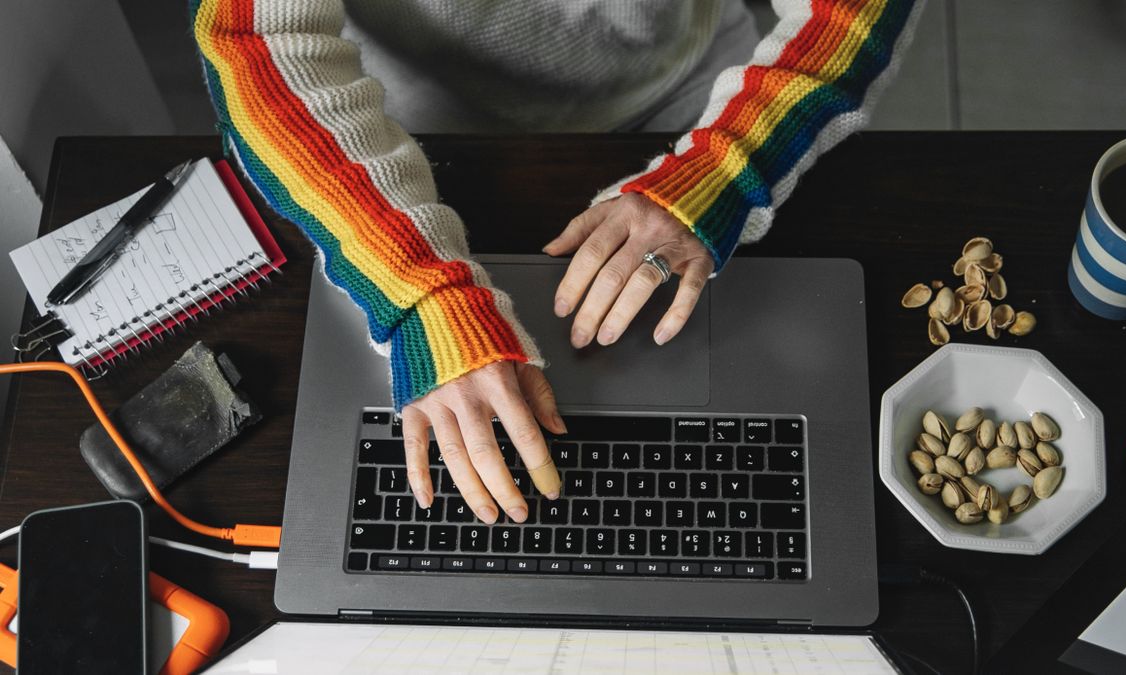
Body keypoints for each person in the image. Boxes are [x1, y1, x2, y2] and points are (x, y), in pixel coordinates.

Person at [190, 0, 921, 526]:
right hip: (403, 137)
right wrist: (422, 293)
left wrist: (724, 169)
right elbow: (253, 40)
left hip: (687, 88)